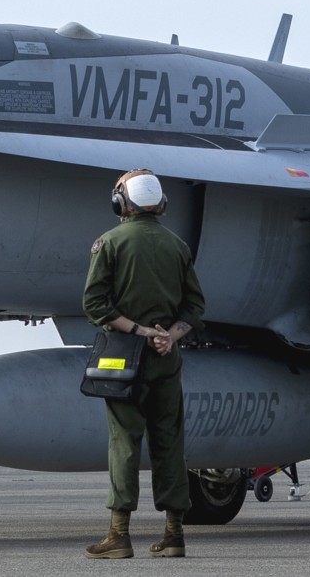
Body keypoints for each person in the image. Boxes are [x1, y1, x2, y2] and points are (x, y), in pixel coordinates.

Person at [80, 169, 205, 559]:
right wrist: (169, 335)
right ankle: (174, 535)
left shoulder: (110, 243)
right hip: (168, 359)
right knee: (170, 442)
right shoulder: (177, 246)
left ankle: (118, 535)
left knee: (125, 442)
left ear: (122, 202)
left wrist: (139, 331)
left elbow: (94, 305)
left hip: (124, 358)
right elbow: (194, 307)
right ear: (160, 203)